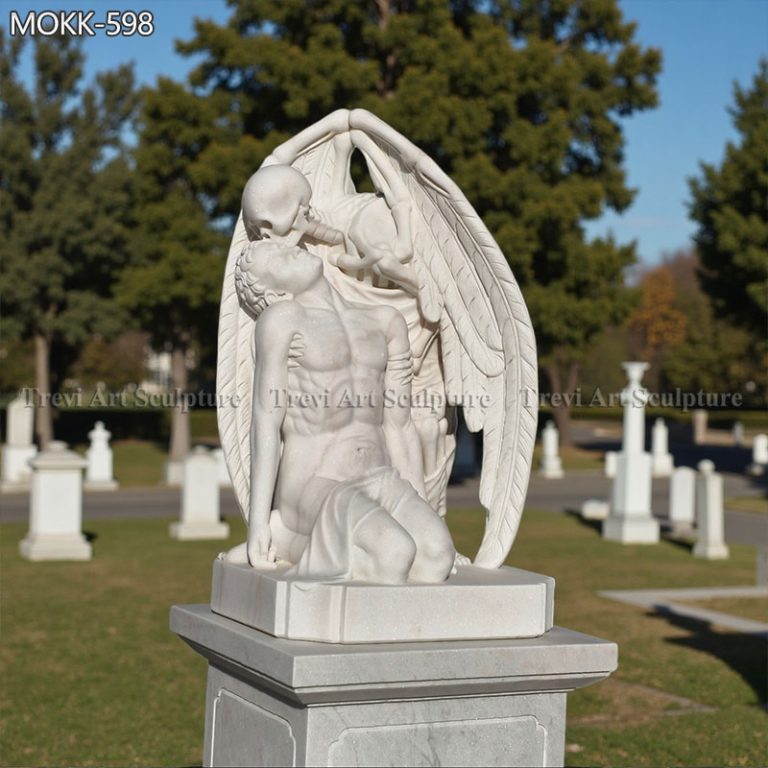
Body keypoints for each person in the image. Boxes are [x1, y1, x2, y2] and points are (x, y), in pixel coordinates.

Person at [232, 239, 455, 584]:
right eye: (273, 260)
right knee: (393, 555)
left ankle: (305, 542)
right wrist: (258, 521)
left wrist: (426, 509)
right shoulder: (282, 320)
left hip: (379, 475)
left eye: (280, 246)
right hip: (313, 484)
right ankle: (288, 534)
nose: (287, 249)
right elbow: (266, 419)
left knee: (436, 557)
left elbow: (399, 425)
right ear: (273, 293)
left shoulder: (385, 320)